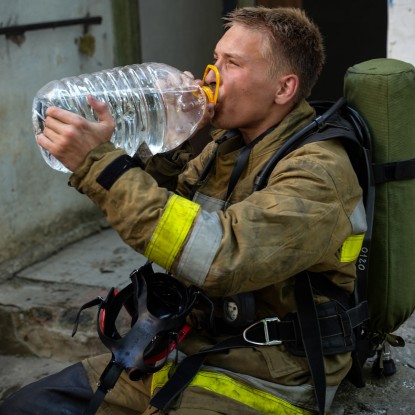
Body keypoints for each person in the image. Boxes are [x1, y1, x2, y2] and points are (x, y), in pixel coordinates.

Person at [0, 6, 367, 415]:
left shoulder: (318, 171)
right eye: (215, 58)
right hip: (187, 348)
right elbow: (169, 211)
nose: (211, 74)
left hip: (269, 374)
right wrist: (170, 138)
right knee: (27, 406)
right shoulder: (226, 147)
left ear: (283, 89)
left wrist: (99, 165)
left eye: (233, 64)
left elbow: (219, 257)